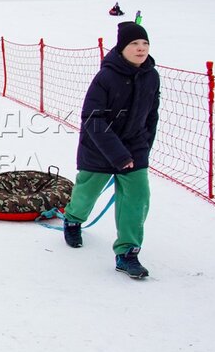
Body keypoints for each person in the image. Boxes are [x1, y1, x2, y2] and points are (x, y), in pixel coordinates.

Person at [62, 21, 160, 280]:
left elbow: (152, 114)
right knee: (86, 194)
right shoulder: (106, 77)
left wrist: (144, 147)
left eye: (145, 43)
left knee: (137, 199)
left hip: (135, 147)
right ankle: (73, 219)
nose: (141, 48)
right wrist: (118, 154)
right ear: (122, 47)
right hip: (99, 147)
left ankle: (127, 253)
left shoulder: (152, 76)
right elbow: (92, 118)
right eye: (134, 44)